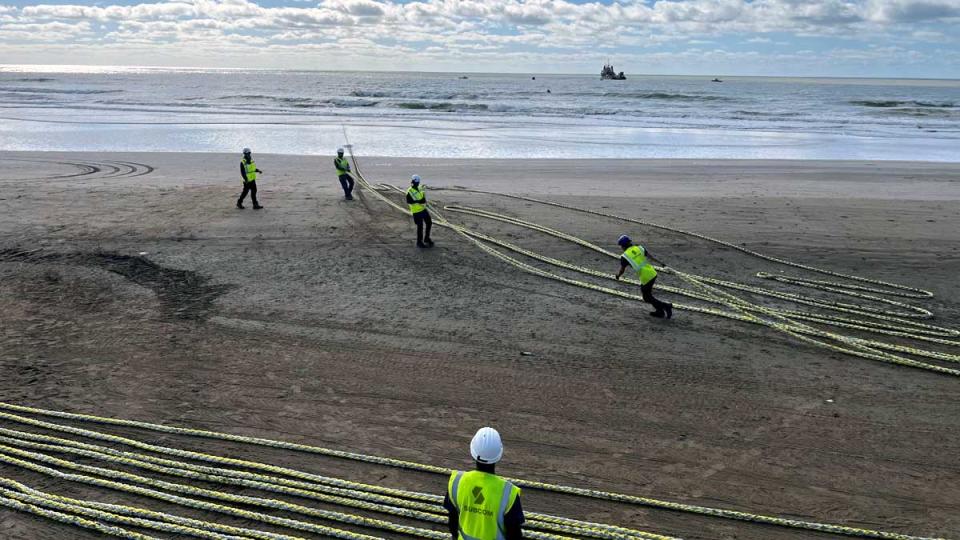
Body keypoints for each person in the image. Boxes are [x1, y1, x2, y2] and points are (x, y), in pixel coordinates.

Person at [443, 427, 524, 540]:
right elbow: (515, 535)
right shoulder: (508, 493)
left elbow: (452, 524)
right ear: (498, 454)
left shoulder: (457, 482)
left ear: (473, 450)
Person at [615, 235, 673, 319]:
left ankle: (666, 306)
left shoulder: (625, 256)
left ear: (623, 246)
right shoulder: (639, 248)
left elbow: (622, 270)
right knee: (648, 295)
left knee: (646, 297)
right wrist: (661, 263)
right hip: (652, 273)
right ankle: (660, 311)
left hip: (645, 277)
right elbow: (651, 256)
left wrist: (618, 275)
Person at [406, 175, 433, 248]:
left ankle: (427, 238)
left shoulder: (419, 187)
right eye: (416, 182)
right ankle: (419, 242)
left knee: (429, 223)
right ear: (413, 182)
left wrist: (423, 200)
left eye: (418, 182)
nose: (417, 184)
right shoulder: (409, 191)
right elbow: (409, 201)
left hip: (423, 209)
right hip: (416, 211)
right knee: (420, 226)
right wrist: (419, 201)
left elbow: (422, 192)